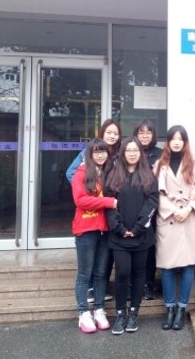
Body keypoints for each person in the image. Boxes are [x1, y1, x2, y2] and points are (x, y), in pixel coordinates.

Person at [104, 136, 159, 335]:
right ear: (123, 153)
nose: (132, 153)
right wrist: (119, 228)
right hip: (118, 235)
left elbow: (152, 202)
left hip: (142, 235)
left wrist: (138, 227)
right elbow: (108, 204)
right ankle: (120, 313)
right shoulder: (113, 176)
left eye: (136, 150)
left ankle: (134, 312)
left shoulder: (148, 176)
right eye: (129, 150)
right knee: (122, 272)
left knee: (138, 274)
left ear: (140, 153)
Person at [154, 125, 195, 330]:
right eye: (173, 138)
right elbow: (156, 194)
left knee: (187, 265)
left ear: (185, 142)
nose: (176, 142)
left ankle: (181, 309)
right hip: (168, 219)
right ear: (167, 142)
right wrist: (173, 209)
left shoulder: (194, 163)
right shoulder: (160, 164)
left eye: (180, 139)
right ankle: (169, 308)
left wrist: (188, 208)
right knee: (166, 266)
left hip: (188, 218)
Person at [66, 118, 122, 303]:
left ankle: (100, 292)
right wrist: (90, 191)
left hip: (108, 215)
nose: (112, 136)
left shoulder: (118, 154)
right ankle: (89, 292)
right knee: (88, 262)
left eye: (116, 133)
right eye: (109, 132)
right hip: (93, 213)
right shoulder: (88, 152)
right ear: (102, 133)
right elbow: (71, 173)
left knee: (103, 259)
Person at [71, 138, 118, 333]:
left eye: (103, 151)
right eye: (96, 152)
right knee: (85, 273)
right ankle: (83, 313)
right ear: (89, 154)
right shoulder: (81, 173)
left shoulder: (109, 174)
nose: (100, 155)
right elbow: (81, 200)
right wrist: (108, 202)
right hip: (86, 230)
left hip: (104, 230)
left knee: (100, 273)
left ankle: (99, 310)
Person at [132, 120, 163, 300]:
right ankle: (133, 283)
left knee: (150, 246)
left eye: (148, 132)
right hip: (132, 205)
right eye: (141, 132)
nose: (144, 136)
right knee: (133, 245)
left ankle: (148, 282)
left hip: (153, 206)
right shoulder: (130, 151)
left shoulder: (160, 154)